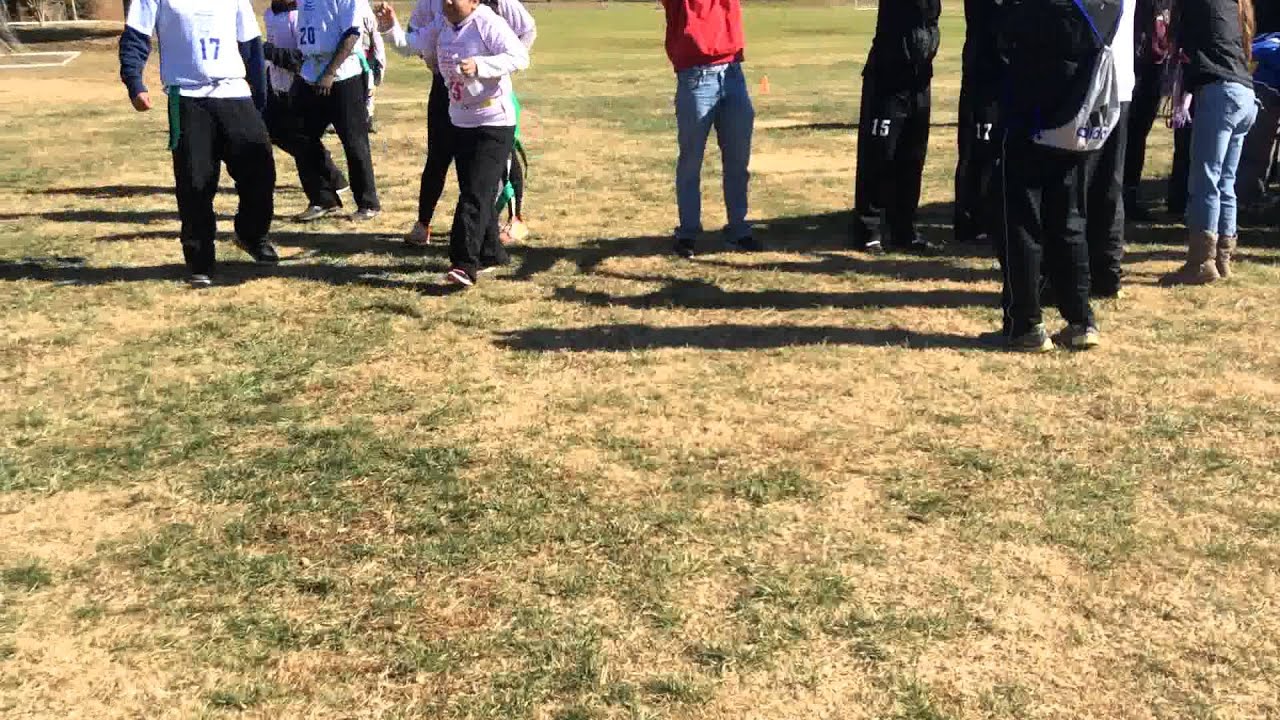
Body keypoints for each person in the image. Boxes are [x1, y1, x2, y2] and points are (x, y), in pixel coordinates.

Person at [991, 0, 1124, 351]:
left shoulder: (1043, 9)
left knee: (1021, 223)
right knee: (1069, 221)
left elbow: (1004, 29)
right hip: (1074, 122)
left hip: (1032, 121)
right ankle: (1080, 319)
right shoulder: (1104, 7)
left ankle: (1025, 322)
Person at [118, 0, 278, 288]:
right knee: (195, 181)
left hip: (234, 91)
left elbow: (251, 45)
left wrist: (259, 101)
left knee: (260, 172)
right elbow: (136, 37)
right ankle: (200, 258)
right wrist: (134, 83)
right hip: (187, 95)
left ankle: (252, 234)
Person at [378, 0, 530, 287]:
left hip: (493, 122)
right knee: (475, 190)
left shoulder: (487, 22)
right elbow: (410, 45)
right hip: (461, 120)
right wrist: (390, 28)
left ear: (474, 1)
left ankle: (463, 264)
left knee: (474, 193)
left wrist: (481, 65)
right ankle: (491, 253)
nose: (447, 2)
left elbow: (520, 57)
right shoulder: (442, 24)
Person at [1163, 0, 1257, 285]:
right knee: (1225, 181)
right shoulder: (1234, 5)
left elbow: (1177, 46)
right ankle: (1222, 258)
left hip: (1219, 93)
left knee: (1205, 180)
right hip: (1244, 93)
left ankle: (1201, 261)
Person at [661, 0, 758, 259]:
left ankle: (738, 228)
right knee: (691, 162)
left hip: (733, 73)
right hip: (696, 76)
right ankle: (687, 233)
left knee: (738, 160)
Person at [852, 0, 941, 254]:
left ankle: (904, 229)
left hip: (919, 78)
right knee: (879, 155)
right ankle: (869, 230)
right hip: (888, 77)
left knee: (913, 156)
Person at [262, 0, 351, 221]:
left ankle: (323, 195)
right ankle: (332, 179)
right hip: (277, 86)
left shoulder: (299, 15)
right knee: (282, 135)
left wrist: (269, 52)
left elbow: (301, 58)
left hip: (300, 86)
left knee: (301, 139)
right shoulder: (269, 14)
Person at [294, 0, 382, 221]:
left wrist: (330, 72)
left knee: (354, 141)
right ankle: (322, 198)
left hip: (343, 74)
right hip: (310, 72)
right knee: (301, 136)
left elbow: (352, 33)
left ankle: (367, 203)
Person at [1084, 0, 1137, 299]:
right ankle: (1106, 272)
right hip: (1119, 81)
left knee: (1083, 181)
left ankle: (1096, 271)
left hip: (1094, 82)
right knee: (1109, 182)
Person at [954, 0, 1003, 247]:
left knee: (998, 154)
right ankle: (972, 221)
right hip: (983, 76)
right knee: (978, 153)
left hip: (1004, 76)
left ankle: (992, 216)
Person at [1123, 0, 1175, 221]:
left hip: (1154, 69)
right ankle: (1115, 196)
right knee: (1124, 134)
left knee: (1138, 135)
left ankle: (1130, 194)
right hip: (1131, 64)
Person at [1235, 32, 1280, 212]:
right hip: (1265, 94)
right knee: (1256, 152)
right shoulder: (1272, 43)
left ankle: (1248, 193)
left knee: (1253, 149)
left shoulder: (1269, 40)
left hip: (1256, 89)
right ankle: (1247, 197)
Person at [360, 2, 388, 134]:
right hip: (358, 57)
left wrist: (379, 62)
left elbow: (376, 41)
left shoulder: (366, 13)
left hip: (364, 59)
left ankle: (367, 119)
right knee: (368, 89)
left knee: (368, 90)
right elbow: (377, 42)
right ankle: (366, 119)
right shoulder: (366, 12)